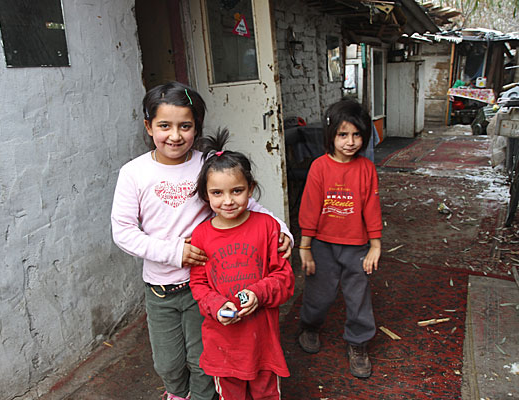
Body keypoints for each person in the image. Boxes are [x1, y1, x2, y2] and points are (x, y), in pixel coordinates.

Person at [110, 82, 293, 400]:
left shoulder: (205, 163)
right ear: (148, 126)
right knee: (167, 363)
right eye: (164, 126)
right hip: (161, 289)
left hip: (208, 285)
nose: (175, 135)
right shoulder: (134, 173)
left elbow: (248, 204)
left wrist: (283, 231)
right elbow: (123, 231)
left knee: (203, 361)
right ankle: (176, 393)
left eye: (185, 126)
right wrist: (174, 252)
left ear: (197, 127)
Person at [189, 129, 295, 400]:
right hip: (223, 345)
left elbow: (284, 279)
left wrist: (258, 293)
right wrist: (216, 305)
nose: (228, 201)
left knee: (266, 394)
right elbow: (198, 284)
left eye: (237, 191)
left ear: (251, 188)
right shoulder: (200, 236)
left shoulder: (268, 227)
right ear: (206, 195)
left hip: (263, 342)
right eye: (217, 192)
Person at [297, 98, 382, 379]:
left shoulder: (366, 169)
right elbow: (310, 208)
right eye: (343, 134)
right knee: (319, 294)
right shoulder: (319, 167)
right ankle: (309, 326)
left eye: (357, 134)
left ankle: (358, 342)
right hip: (323, 245)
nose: (350, 142)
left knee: (358, 297)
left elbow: (371, 207)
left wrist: (375, 245)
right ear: (331, 135)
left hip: (357, 246)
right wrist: (305, 247)